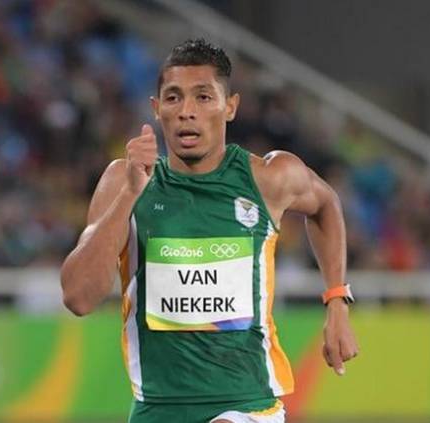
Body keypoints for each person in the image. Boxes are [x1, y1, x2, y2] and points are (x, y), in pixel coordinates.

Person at [61, 38, 359, 423]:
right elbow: (79, 298)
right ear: (157, 109)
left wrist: (337, 301)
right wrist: (130, 194)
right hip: (156, 409)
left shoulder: (269, 178)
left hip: (248, 405)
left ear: (229, 106)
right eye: (173, 98)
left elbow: (325, 204)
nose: (187, 111)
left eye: (203, 97)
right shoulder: (125, 181)